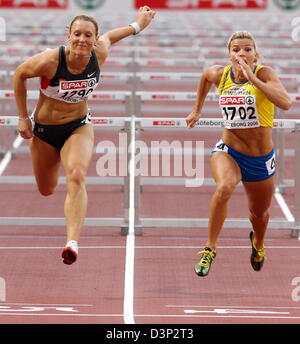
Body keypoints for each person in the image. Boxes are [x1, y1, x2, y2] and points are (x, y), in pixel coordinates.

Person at [13, 6, 156, 265]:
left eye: (88, 35)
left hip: (78, 126)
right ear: (68, 35)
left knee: (77, 175)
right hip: (45, 132)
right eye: (77, 34)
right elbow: (20, 74)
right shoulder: (49, 61)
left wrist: (137, 26)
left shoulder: (99, 51)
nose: (82, 39)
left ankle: (72, 242)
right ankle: (66, 221)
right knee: (46, 190)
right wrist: (23, 117)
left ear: (94, 38)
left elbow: (112, 36)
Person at [186, 31, 292, 277]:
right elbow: (204, 77)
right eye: (236, 50)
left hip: (259, 159)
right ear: (229, 54)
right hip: (229, 150)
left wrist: (253, 79)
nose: (241, 54)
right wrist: (197, 110)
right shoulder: (220, 74)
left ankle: (259, 244)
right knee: (224, 188)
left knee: (259, 214)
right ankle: (209, 249)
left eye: (247, 49)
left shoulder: (264, 74)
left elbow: (285, 103)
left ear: (255, 53)